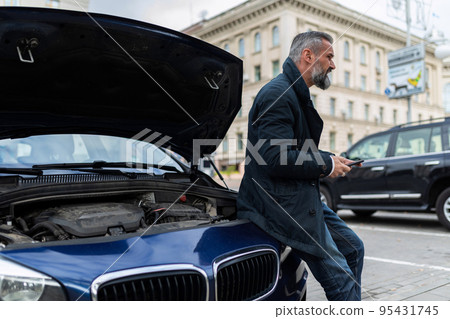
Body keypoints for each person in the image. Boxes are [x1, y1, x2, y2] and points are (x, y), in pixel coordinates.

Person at [237, 31, 364, 301]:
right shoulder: (278, 93)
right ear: (308, 56)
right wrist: (326, 164)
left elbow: (294, 149)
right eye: (329, 56)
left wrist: (332, 158)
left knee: (353, 248)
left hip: (298, 196)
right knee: (340, 276)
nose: (333, 65)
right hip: (278, 203)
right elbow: (275, 156)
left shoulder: (295, 92)